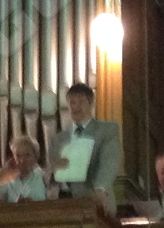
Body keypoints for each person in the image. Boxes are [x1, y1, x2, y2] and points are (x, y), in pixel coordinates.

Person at [49, 83, 122, 215]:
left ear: (91, 103)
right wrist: (55, 173)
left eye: (81, 102)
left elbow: (109, 162)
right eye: (72, 103)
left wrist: (100, 189)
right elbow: (51, 175)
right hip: (65, 207)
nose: (76, 107)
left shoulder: (107, 130)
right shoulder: (58, 140)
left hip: (97, 203)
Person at [0, 136, 57, 203]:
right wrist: (4, 169)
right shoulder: (10, 183)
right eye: (18, 156)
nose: (22, 160)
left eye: (27, 155)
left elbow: (54, 204)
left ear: (35, 156)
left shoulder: (44, 177)